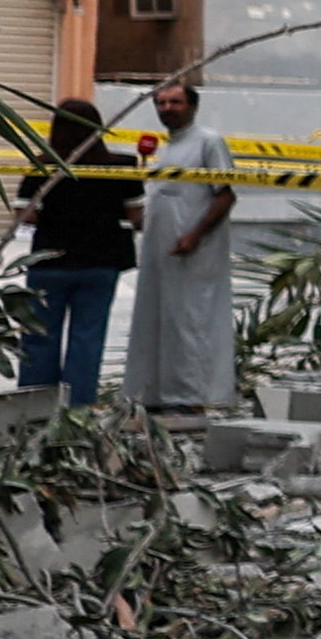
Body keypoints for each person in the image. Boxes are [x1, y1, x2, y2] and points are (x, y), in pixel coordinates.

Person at [125, 80, 240, 414]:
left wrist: (195, 235)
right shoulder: (165, 147)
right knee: (160, 322)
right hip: (161, 252)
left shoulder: (208, 142)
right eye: (160, 103)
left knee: (193, 323)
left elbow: (226, 194)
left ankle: (193, 398)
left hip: (195, 252)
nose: (166, 109)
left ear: (192, 106)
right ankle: (157, 395)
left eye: (174, 102)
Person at [14, 100, 133, 408]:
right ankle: (77, 411)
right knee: (87, 340)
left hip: (49, 262)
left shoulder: (42, 166)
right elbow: (136, 215)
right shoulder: (122, 167)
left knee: (39, 338)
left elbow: (25, 214)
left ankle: (34, 408)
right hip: (101, 263)